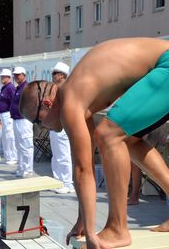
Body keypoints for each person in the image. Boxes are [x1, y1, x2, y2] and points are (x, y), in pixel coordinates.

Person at [19, 37, 169, 249]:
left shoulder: (70, 102)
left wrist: (91, 235)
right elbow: (85, 165)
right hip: (162, 67)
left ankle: (118, 228)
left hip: (166, 65)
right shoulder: (78, 94)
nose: (42, 128)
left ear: (47, 103)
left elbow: (81, 171)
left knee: (109, 135)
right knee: (129, 140)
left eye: (38, 121)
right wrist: (83, 221)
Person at [49, 62, 75, 193]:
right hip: (54, 125)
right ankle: (58, 181)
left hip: (62, 125)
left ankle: (67, 183)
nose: (52, 76)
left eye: (54, 73)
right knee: (56, 155)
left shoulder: (67, 89)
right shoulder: (55, 88)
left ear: (61, 75)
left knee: (63, 155)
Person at [10, 66, 34, 177]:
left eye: (18, 75)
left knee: (26, 145)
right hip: (16, 120)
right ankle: (21, 167)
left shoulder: (27, 87)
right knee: (19, 145)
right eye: (14, 75)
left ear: (24, 75)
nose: (16, 77)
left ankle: (28, 169)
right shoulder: (18, 87)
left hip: (24, 120)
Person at [0, 68, 17, 164]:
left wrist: (11, 114)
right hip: (2, 115)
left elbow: (13, 101)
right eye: (1, 77)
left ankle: (13, 157)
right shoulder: (4, 87)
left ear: (8, 77)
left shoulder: (10, 87)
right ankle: (8, 156)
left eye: (2, 77)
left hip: (7, 115)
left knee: (10, 136)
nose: (1, 78)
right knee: (5, 137)